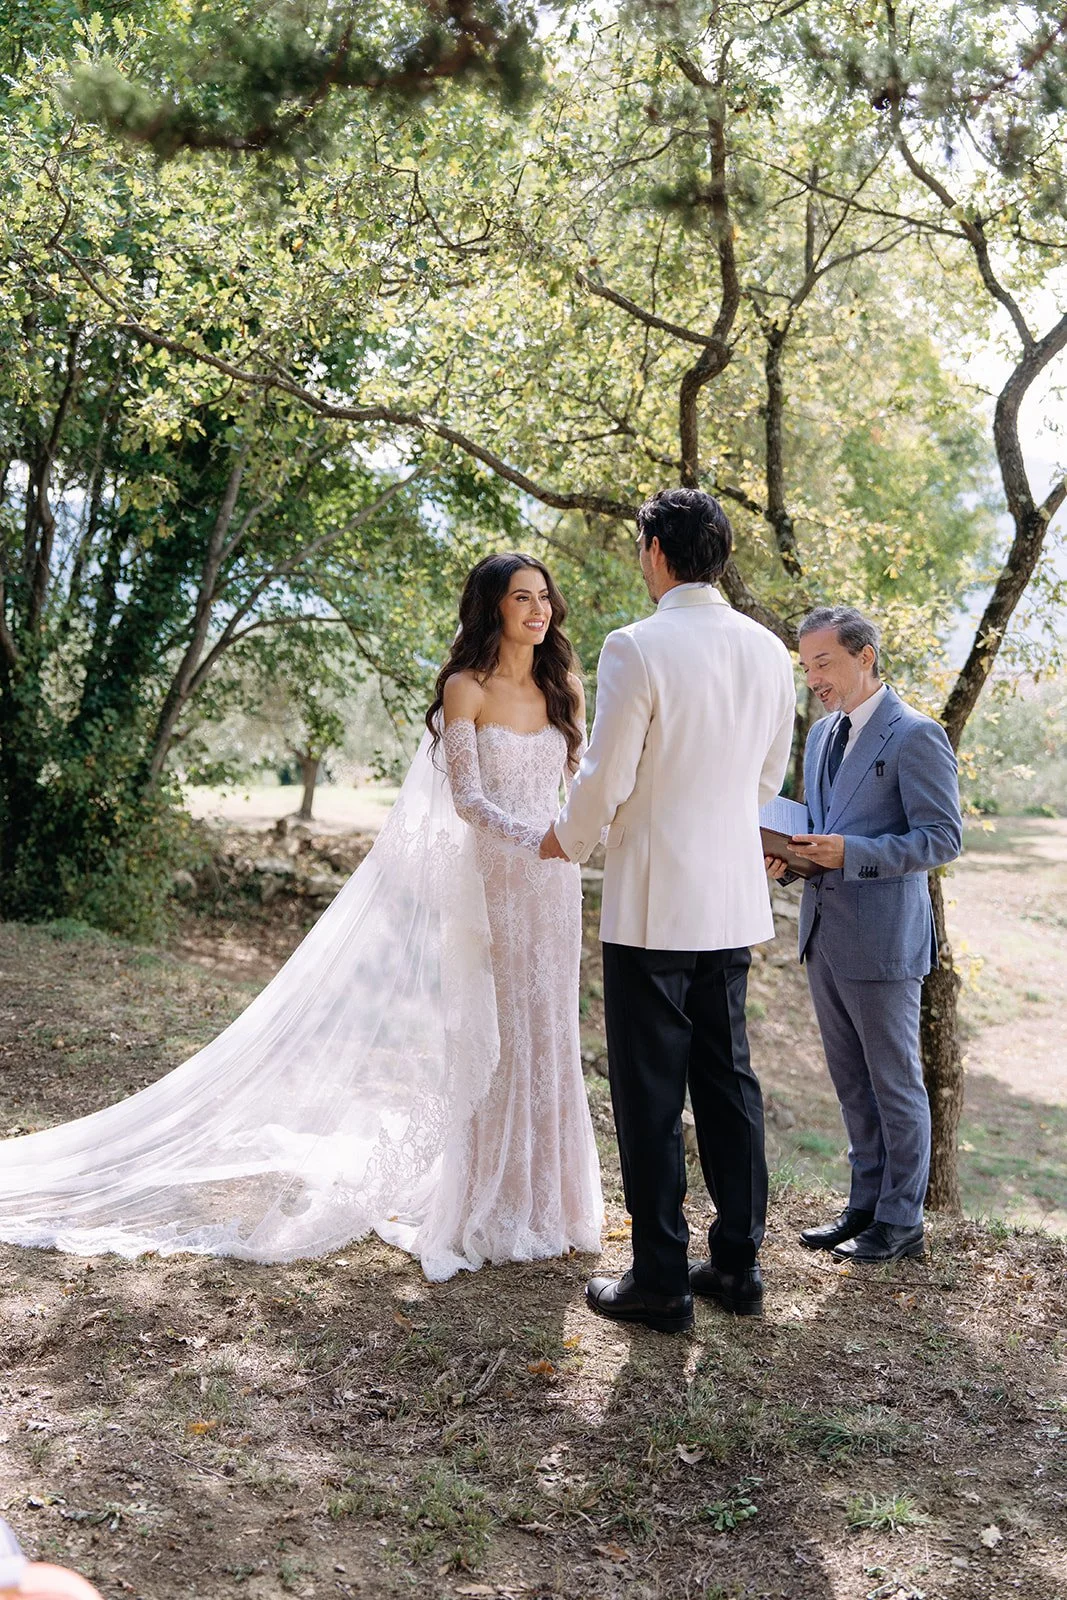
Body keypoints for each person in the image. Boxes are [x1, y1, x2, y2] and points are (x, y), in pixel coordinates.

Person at [0, 554, 602, 1280]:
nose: (538, 610)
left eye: (543, 597)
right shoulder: (463, 689)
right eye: (520, 598)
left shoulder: (563, 684)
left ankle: (553, 1203)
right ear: (492, 609)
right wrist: (534, 840)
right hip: (498, 888)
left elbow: (577, 786)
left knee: (548, 1029)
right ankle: (492, 1200)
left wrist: (571, 841)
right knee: (497, 1034)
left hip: (555, 891)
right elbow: (468, 803)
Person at [541, 488, 796, 1332]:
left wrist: (564, 840)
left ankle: (658, 1277)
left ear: (654, 550)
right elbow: (766, 779)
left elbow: (606, 776)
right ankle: (738, 1266)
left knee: (649, 1094)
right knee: (729, 1084)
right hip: (729, 899)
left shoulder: (635, 646)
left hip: (653, 902)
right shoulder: (768, 651)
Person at [771, 606, 962, 1264]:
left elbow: (942, 839)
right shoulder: (820, 736)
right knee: (851, 1083)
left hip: (882, 940)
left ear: (864, 657)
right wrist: (790, 859)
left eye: (823, 663)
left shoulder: (914, 735)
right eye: (806, 667)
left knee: (894, 1083)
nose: (814, 679)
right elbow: (818, 833)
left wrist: (847, 854)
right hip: (822, 934)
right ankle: (864, 1205)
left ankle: (901, 1222)